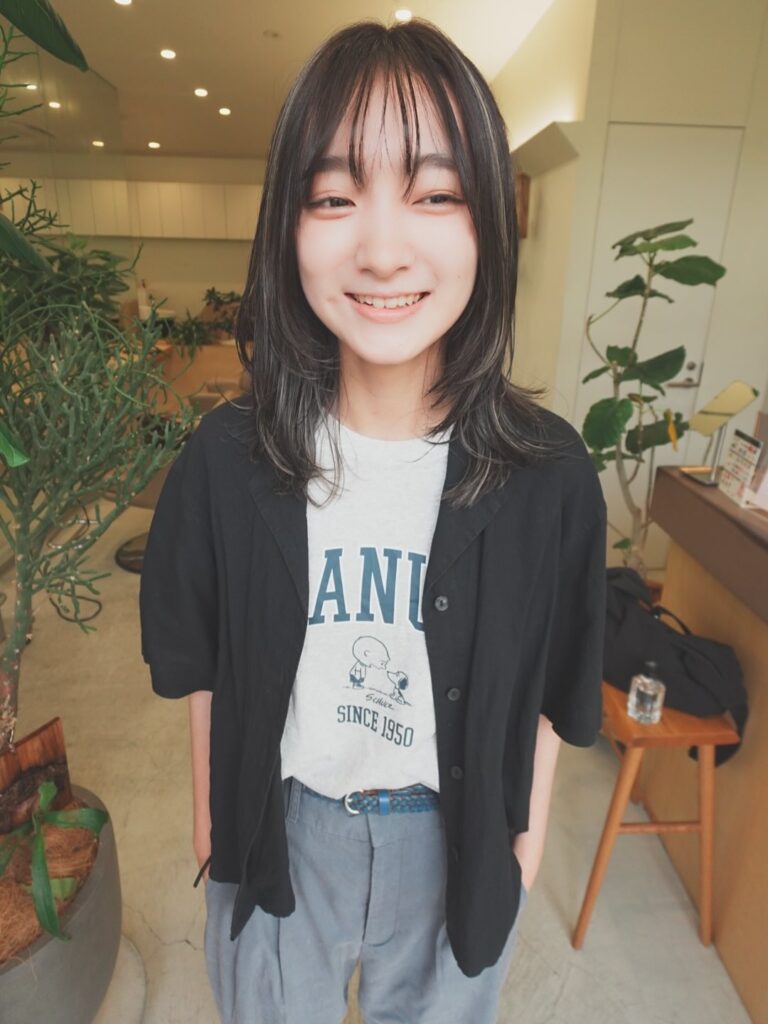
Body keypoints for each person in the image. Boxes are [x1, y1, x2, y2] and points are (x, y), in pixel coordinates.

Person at [139, 15, 608, 1024]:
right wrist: (213, 825)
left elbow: (555, 682)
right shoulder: (225, 459)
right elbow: (204, 663)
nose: (384, 248)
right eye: (335, 195)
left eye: (435, 193)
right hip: (283, 825)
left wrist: (521, 844)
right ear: (287, 225)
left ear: (489, 219)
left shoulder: (551, 473)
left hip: (457, 840)